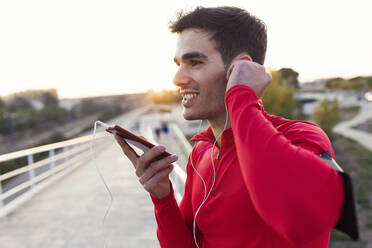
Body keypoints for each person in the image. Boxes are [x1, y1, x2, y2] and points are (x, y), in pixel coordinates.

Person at [114, 6, 358, 248]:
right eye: (179, 64)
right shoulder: (200, 152)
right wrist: (163, 198)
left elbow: (295, 220)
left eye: (195, 62)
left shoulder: (301, 138)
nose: (177, 78)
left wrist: (241, 95)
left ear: (241, 67)